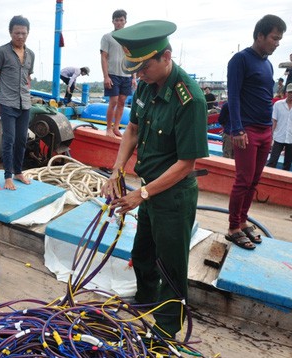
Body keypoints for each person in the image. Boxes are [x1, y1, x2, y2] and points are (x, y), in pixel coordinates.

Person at [101, 20, 209, 338]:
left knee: (171, 266)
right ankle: (145, 301)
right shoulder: (147, 86)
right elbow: (132, 129)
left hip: (173, 196)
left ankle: (165, 329)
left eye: (143, 66)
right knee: (142, 254)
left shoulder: (190, 100)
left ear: (165, 56)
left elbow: (186, 164)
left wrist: (142, 194)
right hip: (148, 190)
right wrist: (117, 169)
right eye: (134, 68)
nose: (138, 74)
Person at [225, 14, 287, 250]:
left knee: (254, 181)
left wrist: (270, 128)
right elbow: (233, 96)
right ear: (260, 36)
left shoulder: (267, 63)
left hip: (264, 131)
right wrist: (237, 128)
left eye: (279, 39)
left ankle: (242, 221)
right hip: (247, 131)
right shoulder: (240, 60)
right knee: (243, 180)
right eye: (274, 38)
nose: (277, 43)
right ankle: (233, 228)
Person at [0, 15, 35, 190]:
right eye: (17, 33)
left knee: (22, 139)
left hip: (25, 103)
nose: (20, 36)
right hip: (7, 102)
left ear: (28, 33)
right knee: (9, 139)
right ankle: (7, 176)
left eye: (23, 33)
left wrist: (27, 91)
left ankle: (18, 172)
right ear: (10, 33)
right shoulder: (1, 52)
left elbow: (27, 77)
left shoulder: (30, 54)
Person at [100, 9, 137, 137]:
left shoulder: (130, 38)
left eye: (121, 20)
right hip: (113, 74)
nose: (119, 23)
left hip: (126, 74)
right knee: (113, 101)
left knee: (122, 101)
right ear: (113, 22)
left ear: (125, 21)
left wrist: (134, 77)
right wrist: (106, 76)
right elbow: (104, 57)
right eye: (117, 20)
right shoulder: (107, 37)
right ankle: (108, 128)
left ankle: (116, 127)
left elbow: (133, 58)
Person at [267, 82, 292, 171]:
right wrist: (271, 136)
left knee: (288, 163)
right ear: (286, 93)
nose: (291, 95)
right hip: (278, 137)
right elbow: (274, 121)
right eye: (290, 92)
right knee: (272, 161)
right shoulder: (278, 104)